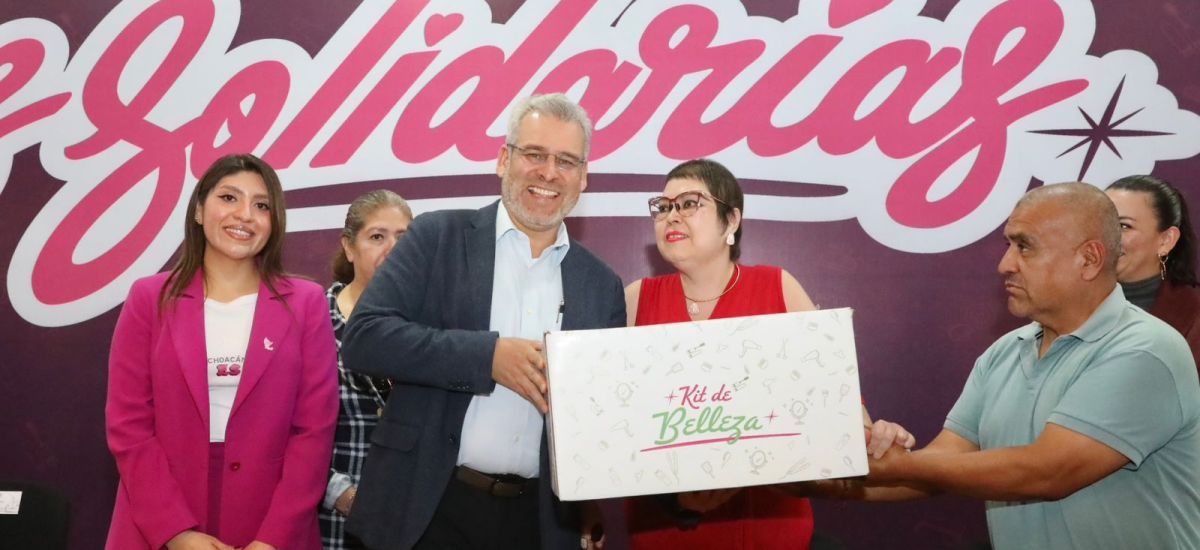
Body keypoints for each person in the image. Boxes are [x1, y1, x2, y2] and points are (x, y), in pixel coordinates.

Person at [340, 94, 625, 550]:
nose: (549, 172)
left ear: (583, 177)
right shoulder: (436, 236)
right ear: (503, 159)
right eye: (534, 154)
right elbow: (365, 338)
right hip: (425, 508)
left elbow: (602, 416)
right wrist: (487, 358)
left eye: (566, 161)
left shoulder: (601, 285)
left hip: (537, 523)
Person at [860, 183, 1200, 549]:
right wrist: (831, 475)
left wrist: (896, 465)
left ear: (1089, 259)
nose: (1005, 264)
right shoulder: (1004, 352)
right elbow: (944, 462)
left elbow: (1048, 472)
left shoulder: (1146, 348)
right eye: (1008, 245)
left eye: (1024, 246)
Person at [623, 158, 914, 550]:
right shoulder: (635, 299)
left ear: (731, 220)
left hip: (770, 531)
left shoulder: (778, 286)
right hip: (665, 531)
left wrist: (876, 436)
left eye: (689, 203)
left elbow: (837, 401)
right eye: (663, 207)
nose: (671, 216)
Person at [105, 154, 339, 550]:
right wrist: (175, 532)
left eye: (261, 205)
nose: (245, 214)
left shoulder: (306, 302)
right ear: (199, 210)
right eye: (229, 198)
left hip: (269, 520)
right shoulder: (149, 298)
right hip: (159, 519)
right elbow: (129, 426)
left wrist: (274, 539)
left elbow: (314, 433)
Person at [319, 190, 413, 549]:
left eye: (403, 238)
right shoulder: (312, 322)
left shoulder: (434, 328)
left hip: (413, 525)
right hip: (333, 527)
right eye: (377, 237)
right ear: (349, 246)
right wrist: (344, 496)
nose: (392, 250)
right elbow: (282, 435)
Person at [1105, 175, 1200, 364]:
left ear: (1166, 240)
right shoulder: (1063, 303)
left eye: (1124, 226)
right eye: (1100, 222)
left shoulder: (1193, 316)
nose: (1105, 235)